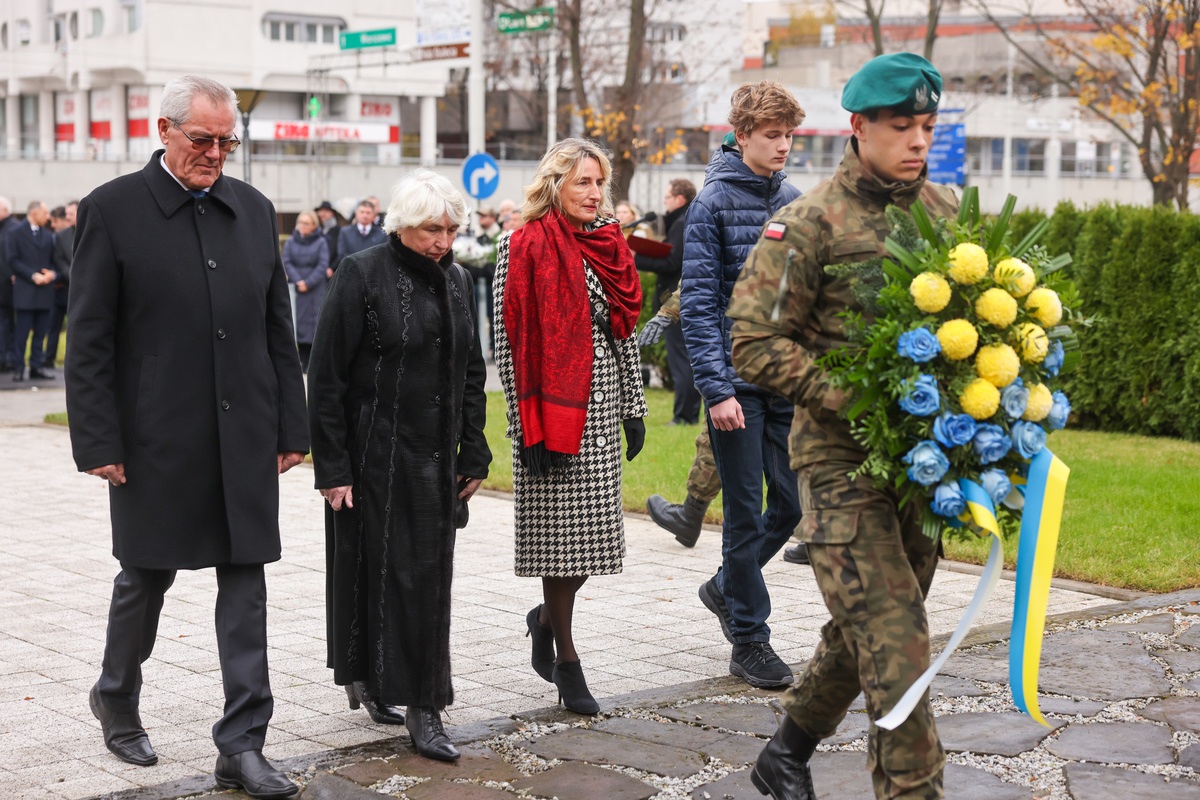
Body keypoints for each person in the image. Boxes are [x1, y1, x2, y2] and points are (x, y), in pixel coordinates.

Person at [65, 75, 309, 800]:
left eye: (227, 141)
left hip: (245, 433)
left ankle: (243, 743)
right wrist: (99, 440)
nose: (215, 153)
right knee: (146, 576)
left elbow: (277, 329)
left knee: (246, 582)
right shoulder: (112, 210)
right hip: (155, 437)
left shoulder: (254, 210)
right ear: (164, 130)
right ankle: (116, 695)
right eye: (202, 139)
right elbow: (90, 338)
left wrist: (290, 425)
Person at [728, 53, 959, 800]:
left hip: (922, 467)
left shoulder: (947, 214)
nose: (917, 140)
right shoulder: (807, 223)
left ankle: (784, 753)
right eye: (901, 126)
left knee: (870, 627)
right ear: (858, 127)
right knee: (898, 644)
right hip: (838, 468)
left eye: (927, 126)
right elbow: (752, 342)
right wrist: (851, 397)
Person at [308, 168, 492, 763]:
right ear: (403, 225)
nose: (443, 241)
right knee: (371, 568)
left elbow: (471, 371)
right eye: (432, 230)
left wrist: (474, 448)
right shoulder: (362, 272)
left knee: (423, 577)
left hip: (436, 456)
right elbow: (327, 376)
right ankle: (388, 686)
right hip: (373, 452)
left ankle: (418, 698)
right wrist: (333, 468)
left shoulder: (457, 279)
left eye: (452, 230)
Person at [493, 138, 647, 715]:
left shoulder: (609, 242)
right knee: (560, 547)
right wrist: (525, 425)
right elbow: (509, 343)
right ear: (554, 185)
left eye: (599, 182)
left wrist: (634, 407)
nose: (594, 192)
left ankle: (543, 621)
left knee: (593, 544)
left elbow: (622, 330)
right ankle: (567, 658)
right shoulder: (521, 245)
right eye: (582, 181)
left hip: (601, 409)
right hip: (551, 413)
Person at [680, 80, 805, 690]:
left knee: (791, 506)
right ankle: (750, 639)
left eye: (789, 136)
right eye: (772, 135)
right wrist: (717, 388)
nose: (783, 146)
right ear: (742, 136)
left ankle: (725, 587)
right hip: (736, 385)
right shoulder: (710, 205)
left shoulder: (796, 202)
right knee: (745, 515)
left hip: (786, 382)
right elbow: (700, 305)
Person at [634, 179, 700, 425]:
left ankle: (684, 416)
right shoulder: (685, 219)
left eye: (668, 198)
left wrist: (637, 257)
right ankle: (686, 414)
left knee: (682, 360)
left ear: (680, 199)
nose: (664, 202)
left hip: (676, 302)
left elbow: (673, 261)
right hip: (679, 300)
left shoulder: (682, 222)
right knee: (685, 360)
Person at [6, 200, 57, 381]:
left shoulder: (48, 236)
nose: (48, 217)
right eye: (45, 213)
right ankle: (19, 367)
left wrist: (52, 274)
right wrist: (32, 275)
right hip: (25, 291)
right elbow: (12, 260)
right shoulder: (15, 234)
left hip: (44, 292)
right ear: (34, 213)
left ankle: (36, 366)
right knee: (22, 333)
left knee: (41, 333)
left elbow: (55, 261)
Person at [281, 210, 330, 371]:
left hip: (315, 288)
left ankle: (313, 362)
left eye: (306, 223)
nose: (302, 226)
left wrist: (308, 282)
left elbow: (322, 264)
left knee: (314, 323)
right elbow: (286, 261)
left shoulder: (321, 242)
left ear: (314, 225)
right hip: (297, 288)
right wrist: (298, 280)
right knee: (298, 322)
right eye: (300, 222)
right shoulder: (291, 242)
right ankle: (301, 361)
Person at [45, 202, 76, 368]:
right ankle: (48, 359)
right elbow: (58, 259)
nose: (68, 217)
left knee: (76, 328)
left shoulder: (92, 231)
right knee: (53, 327)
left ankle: (74, 361)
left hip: (80, 292)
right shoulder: (61, 236)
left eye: (71, 213)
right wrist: (73, 276)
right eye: (67, 214)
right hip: (61, 290)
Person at [334, 200, 387, 270]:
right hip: (351, 270)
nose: (365, 216)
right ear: (356, 214)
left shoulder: (382, 234)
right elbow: (342, 254)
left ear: (374, 216)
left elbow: (382, 255)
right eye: (362, 212)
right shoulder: (345, 232)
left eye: (368, 213)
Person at [0, 195, 16, 373]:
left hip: (8, 288)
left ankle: (7, 359)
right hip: (4, 287)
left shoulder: (12, 229)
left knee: (7, 324)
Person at [314, 200, 340, 270]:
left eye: (326, 211)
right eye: (321, 211)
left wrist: (332, 267)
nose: (322, 214)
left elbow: (340, 252)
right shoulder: (319, 230)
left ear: (332, 213)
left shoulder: (339, 231)